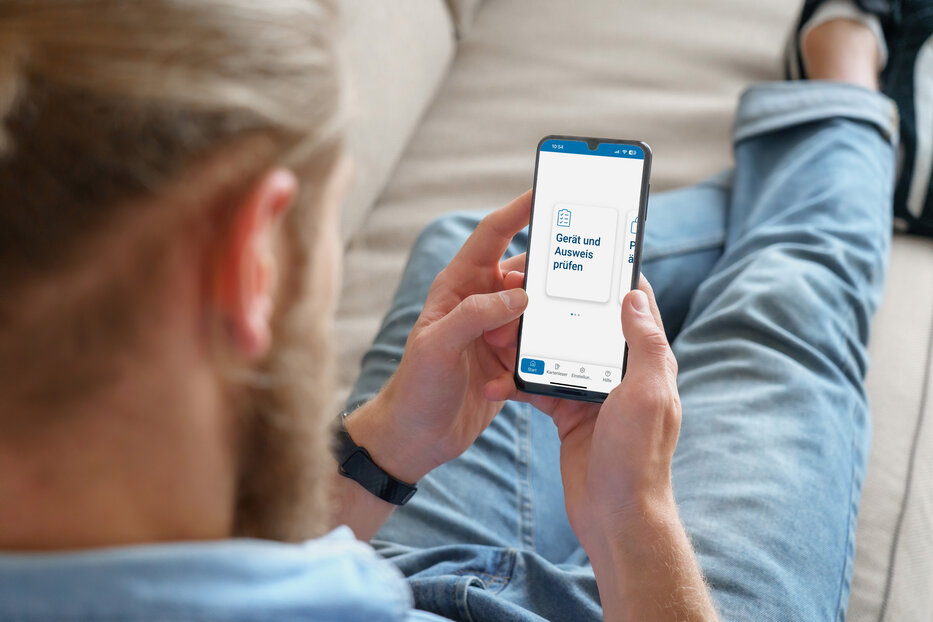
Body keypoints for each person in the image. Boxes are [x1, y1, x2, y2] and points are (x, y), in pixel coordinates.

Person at [0, 1, 928, 621]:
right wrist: (633, 518)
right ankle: (840, 85)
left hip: (380, 552)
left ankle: (811, 148)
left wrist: (382, 450)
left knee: (482, 258)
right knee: (783, 304)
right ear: (249, 264)